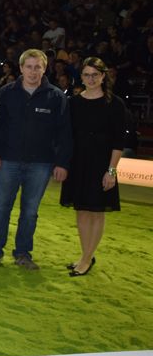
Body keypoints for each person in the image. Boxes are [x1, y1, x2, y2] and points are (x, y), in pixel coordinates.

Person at [0, 49, 73, 270]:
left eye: (37, 67)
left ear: (45, 68)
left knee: (30, 212)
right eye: (29, 67)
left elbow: (65, 133)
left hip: (41, 164)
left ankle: (23, 254)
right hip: (7, 161)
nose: (33, 71)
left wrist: (62, 163)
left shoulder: (56, 97)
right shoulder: (5, 93)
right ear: (21, 68)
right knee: (1, 209)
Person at [60, 57, 125, 277]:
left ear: (103, 76)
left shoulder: (115, 104)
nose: (91, 79)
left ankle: (87, 259)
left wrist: (111, 171)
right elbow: (67, 136)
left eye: (95, 75)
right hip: (78, 164)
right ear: (81, 77)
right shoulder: (73, 102)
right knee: (82, 211)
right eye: (87, 75)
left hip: (102, 165)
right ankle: (85, 255)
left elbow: (118, 142)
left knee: (97, 212)